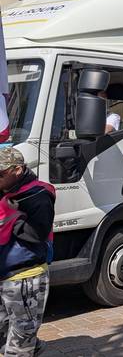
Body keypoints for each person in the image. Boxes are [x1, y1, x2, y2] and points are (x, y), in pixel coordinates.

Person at [0, 148, 55, 356]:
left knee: (19, 346)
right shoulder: (5, 191)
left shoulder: (37, 195)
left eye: (0, 173)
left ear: (17, 170)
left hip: (25, 277)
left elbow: (38, 234)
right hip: (4, 276)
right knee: (6, 337)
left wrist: (12, 219)